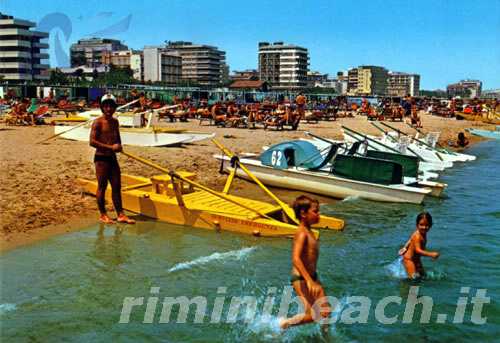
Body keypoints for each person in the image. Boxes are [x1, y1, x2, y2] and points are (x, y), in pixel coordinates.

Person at [280, 196, 331, 332]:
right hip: (302, 279)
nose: (319, 214)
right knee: (314, 315)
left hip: (313, 278)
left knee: (326, 312)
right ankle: (285, 323)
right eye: (315, 211)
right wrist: (309, 281)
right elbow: (296, 258)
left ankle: (325, 337)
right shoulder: (302, 233)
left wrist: (313, 280)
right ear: (303, 214)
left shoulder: (310, 232)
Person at [89, 94, 135, 225]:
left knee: (116, 186)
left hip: (112, 158)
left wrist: (119, 146)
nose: (108, 109)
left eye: (111, 106)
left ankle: (120, 214)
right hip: (101, 159)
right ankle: (103, 215)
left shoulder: (115, 122)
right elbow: (92, 142)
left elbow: (117, 138)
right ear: (102, 107)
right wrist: (110, 147)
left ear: (115, 107)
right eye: (106, 106)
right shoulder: (97, 122)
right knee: (102, 187)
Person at [399, 212, 439, 279]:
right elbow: (418, 250)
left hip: (416, 259)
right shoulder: (417, 236)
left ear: (431, 225)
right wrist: (431, 254)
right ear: (417, 225)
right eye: (421, 225)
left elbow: (410, 239)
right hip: (409, 260)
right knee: (413, 279)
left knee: (423, 276)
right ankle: (403, 284)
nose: (424, 227)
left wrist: (405, 247)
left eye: (427, 225)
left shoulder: (421, 233)